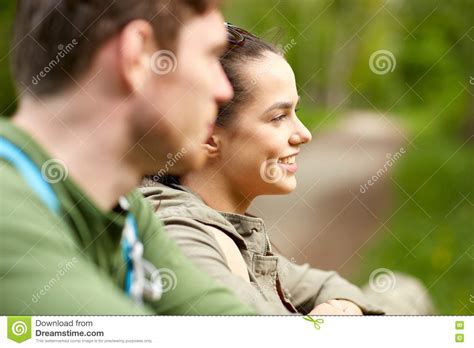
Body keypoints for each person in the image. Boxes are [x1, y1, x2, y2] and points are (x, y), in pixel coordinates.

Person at [0, 1, 256, 315]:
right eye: (211, 57)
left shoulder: (125, 210)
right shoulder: (7, 215)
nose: (224, 90)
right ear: (138, 56)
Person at [141, 24, 383, 315]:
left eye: (296, 112)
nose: (304, 133)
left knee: (406, 290)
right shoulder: (180, 239)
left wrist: (343, 308)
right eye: (278, 117)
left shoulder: (226, 227)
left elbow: (327, 285)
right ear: (206, 135)